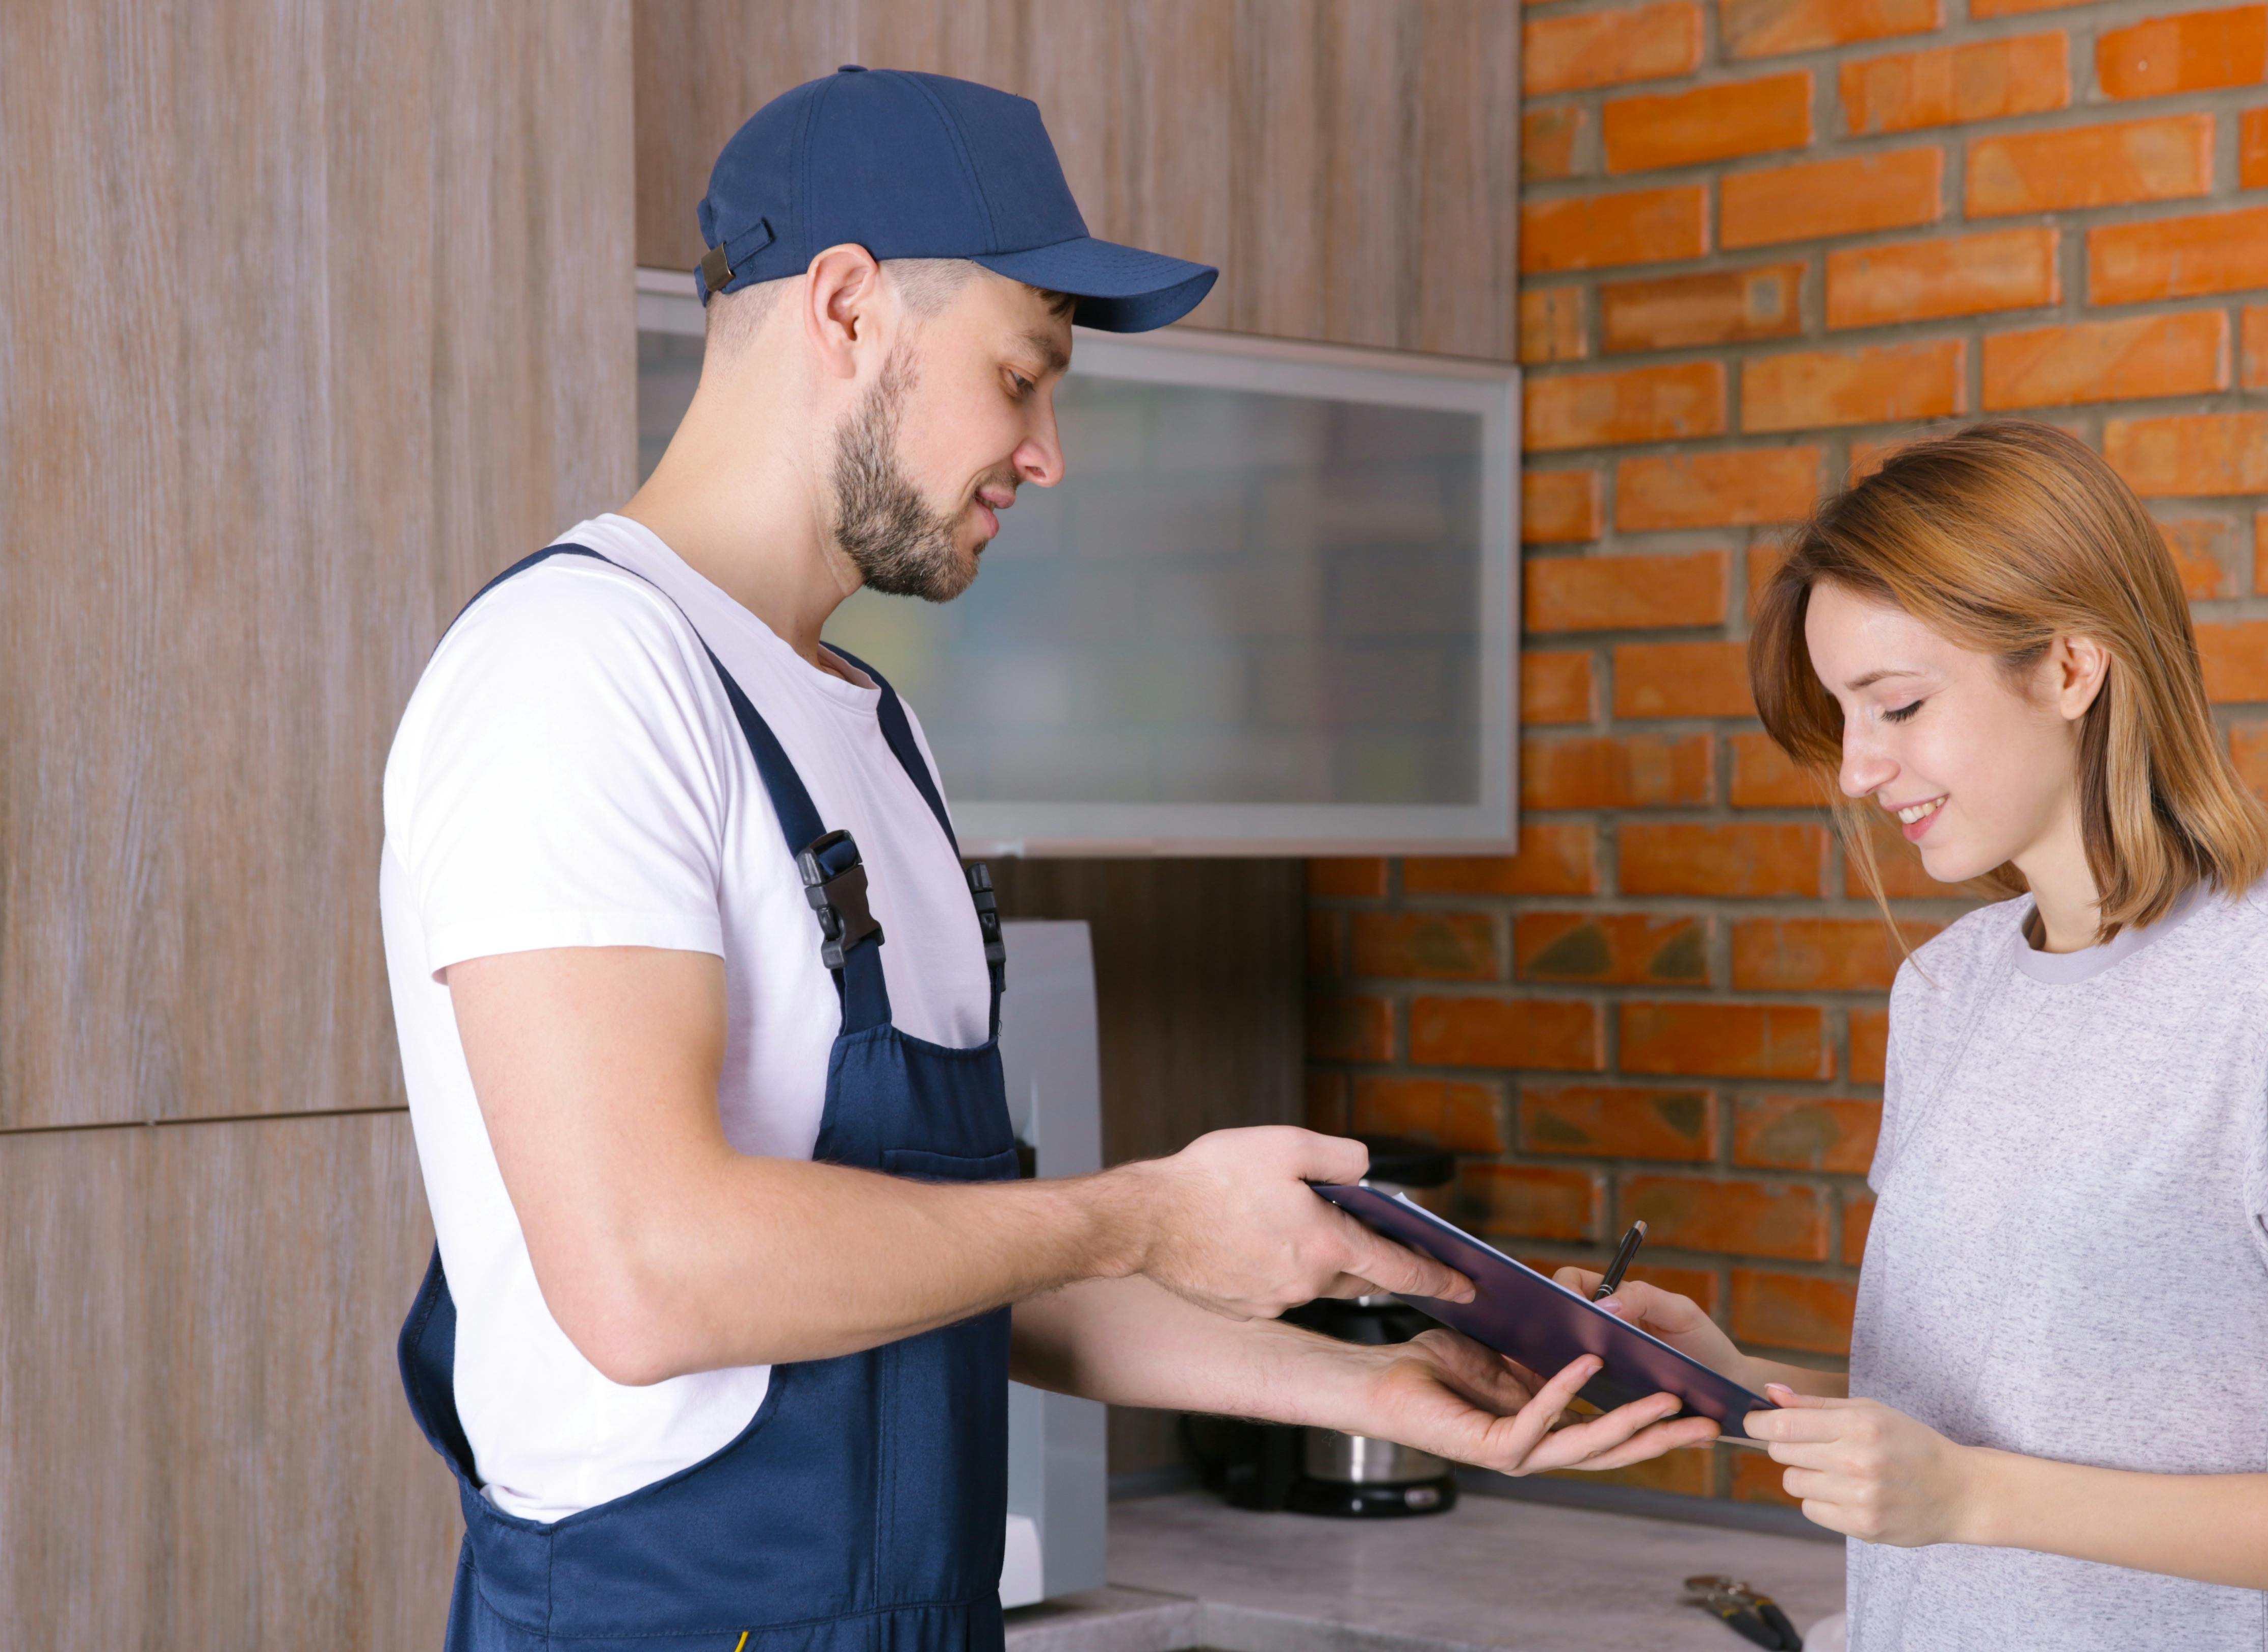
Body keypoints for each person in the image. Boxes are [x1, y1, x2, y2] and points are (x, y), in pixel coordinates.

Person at [380, 67, 1716, 1652]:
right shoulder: (581, 670)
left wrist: (1387, 1390)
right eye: (1023, 377)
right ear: (850, 307)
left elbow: (946, 1266)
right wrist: (1145, 1211)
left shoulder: (875, 731)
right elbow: (649, 1275)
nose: (1046, 451)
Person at [1558, 421, 2268, 1651]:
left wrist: (1973, 1496)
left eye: (1894, 704)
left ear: (2067, 669)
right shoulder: (1946, 992)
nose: (1857, 771)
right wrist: (1733, 1387)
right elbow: (1993, 1421)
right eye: (1844, 717)